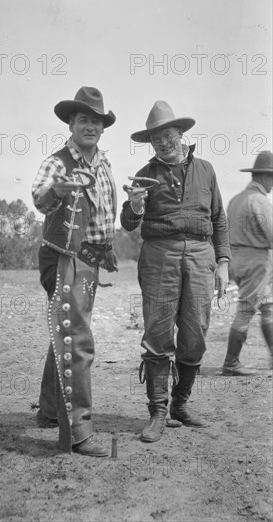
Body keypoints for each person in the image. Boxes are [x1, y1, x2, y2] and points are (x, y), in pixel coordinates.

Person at [120, 100, 230, 442]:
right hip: (159, 257)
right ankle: (157, 412)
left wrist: (223, 263)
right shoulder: (145, 175)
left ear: (181, 134)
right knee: (157, 334)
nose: (163, 142)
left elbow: (219, 219)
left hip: (201, 255)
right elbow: (127, 223)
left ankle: (180, 404)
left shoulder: (207, 170)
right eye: (155, 138)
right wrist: (136, 204)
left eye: (167, 135)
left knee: (195, 334)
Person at [32, 86, 118, 457]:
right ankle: (78, 433)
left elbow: (104, 211)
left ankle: (50, 409)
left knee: (67, 328)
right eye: (84, 120)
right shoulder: (58, 161)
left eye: (96, 121)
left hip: (91, 258)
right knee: (77, 340)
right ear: (71, 123)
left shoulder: (102, 162)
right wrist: (57, 190)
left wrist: (108, 247)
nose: (90, 127)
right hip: (63, 256)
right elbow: (38, 197)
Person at [222, 151, 273, 375]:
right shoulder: (260, 200)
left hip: (236, 258)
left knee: (268, 306)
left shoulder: (236, 199)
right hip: (255, 261)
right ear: (265, 176)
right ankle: (231, 363)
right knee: (245, 310)